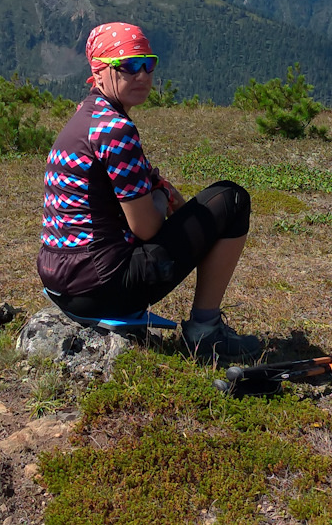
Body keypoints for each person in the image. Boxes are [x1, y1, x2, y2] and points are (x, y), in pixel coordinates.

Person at [37, 22, 263, 362]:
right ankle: (205, 331)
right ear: (98, 71)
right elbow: (146, 228)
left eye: (148, 63)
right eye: (128, 66)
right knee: (230, 199)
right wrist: (162, 196)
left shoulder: (85, 117)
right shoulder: (115, 128)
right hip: (102, 287)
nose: (142, 74)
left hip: (61, 283)